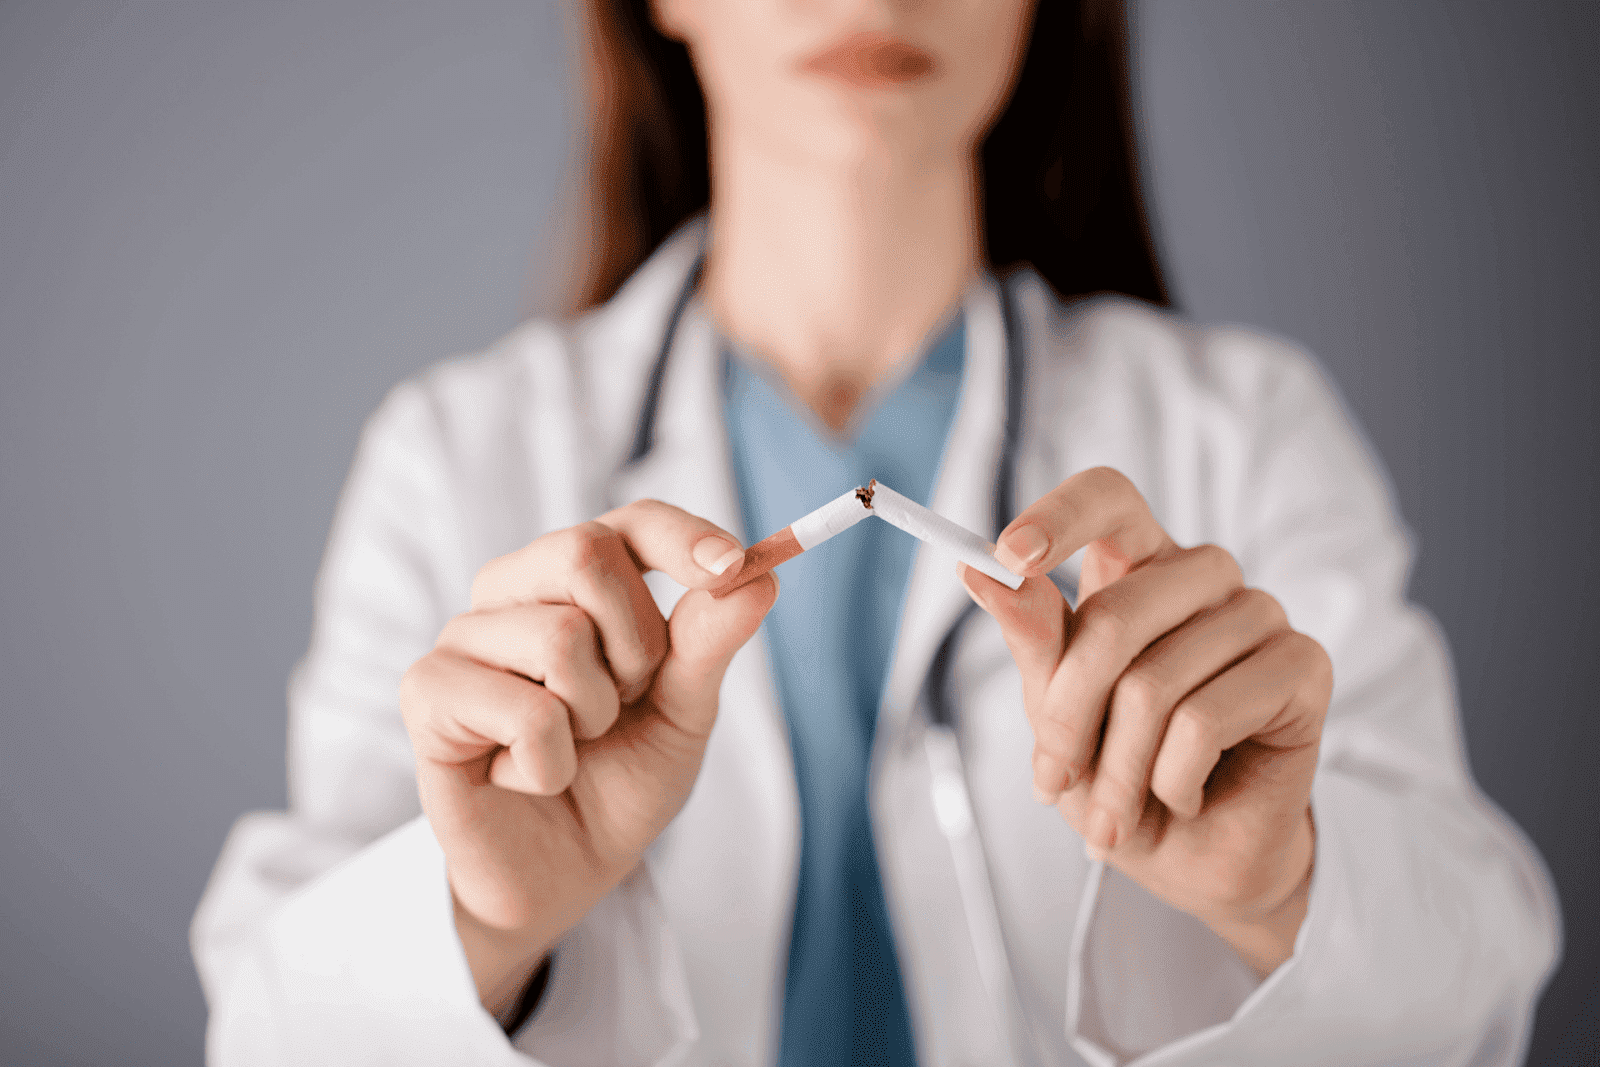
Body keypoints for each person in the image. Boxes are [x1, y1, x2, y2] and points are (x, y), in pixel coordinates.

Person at [190, 0, 1561, 1064]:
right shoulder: (456, 458)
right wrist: (489, 924)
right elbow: (268, 1029)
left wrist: (1281, 890)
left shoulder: (1243, 430)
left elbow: (1478, 978)